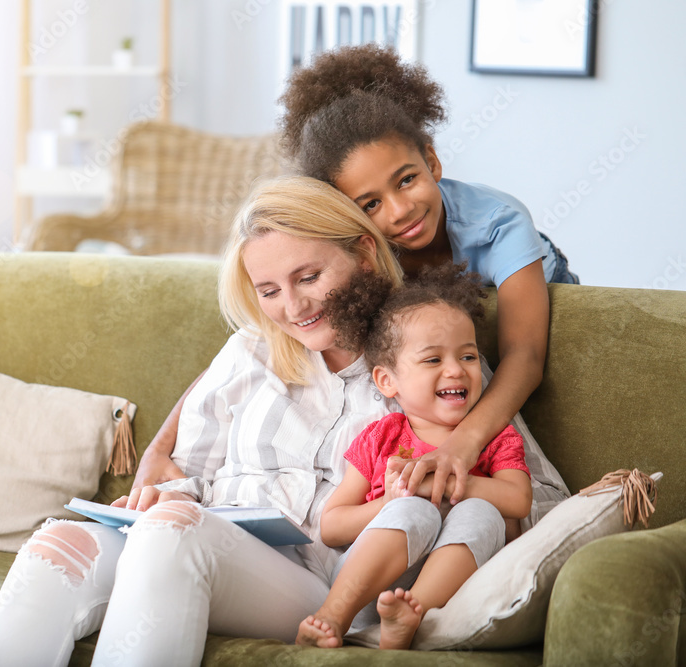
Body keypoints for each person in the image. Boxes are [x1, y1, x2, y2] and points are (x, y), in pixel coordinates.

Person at [0, 176, 406, 667]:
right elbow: (189, 473)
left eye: (308, 277)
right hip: (199, 539)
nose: (293, 307)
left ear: (364, 253)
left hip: (318, 584)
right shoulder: (248, 352)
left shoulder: (424, 358)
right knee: (58, 543)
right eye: (268, 290)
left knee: (173, 532)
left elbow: (490, 472)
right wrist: (158, 495)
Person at [132, 44, 572, 516]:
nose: (399, 211)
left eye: (406, 180)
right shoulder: (361, 257)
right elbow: (248, 352)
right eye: (369, 203)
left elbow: (524, 356)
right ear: (350, 217)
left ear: (433, 161)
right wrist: (160, 446)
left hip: (537, 277)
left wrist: (462, 444)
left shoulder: (497, 223)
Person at [295, 262, 532, 649]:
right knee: (413, 510)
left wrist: (448, 482)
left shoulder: (494, 437)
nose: (456, 370)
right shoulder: (382, 437)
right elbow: (332, 525)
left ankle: (408, 620)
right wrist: (392, 500)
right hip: (372, 586)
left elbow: (519, 500)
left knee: (482, 512)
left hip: (442, 594)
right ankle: (332, 615)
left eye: (468, 357)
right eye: (433, 360)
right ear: (388, 381)